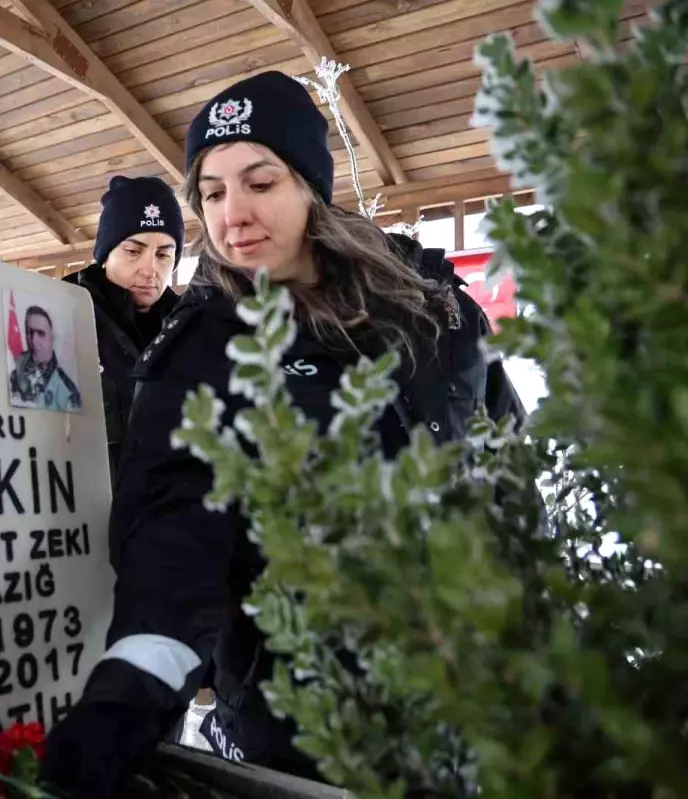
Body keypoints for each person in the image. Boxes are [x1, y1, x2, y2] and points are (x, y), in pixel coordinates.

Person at [39, 71, 527, 796]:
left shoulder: (438, 314)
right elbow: (175, 559)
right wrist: (122, 706)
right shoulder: (202, 353)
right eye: (211, 192)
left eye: (259, 182)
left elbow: (512, 479)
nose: (231, 215)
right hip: (302, 737)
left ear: (308, 183)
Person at [64, 175, 184, 477]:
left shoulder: (189, 325)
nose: (150, 269)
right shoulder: (58, 309)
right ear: (105, 255)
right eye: (133, 251)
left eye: (163, 254)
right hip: (82, 508)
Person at [9, 305, 82, 411]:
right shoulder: (15, 375)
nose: (34, 341)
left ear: (52, 339)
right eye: (30, 333)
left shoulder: (67, 391)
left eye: (41, 334)